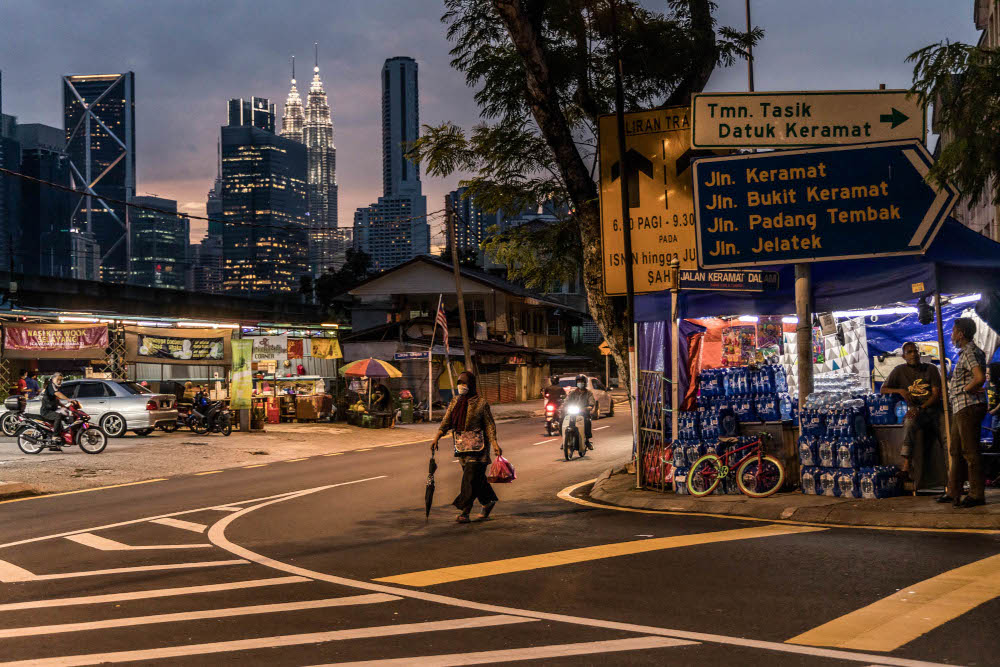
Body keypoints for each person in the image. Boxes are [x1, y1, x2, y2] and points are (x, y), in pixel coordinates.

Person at [431, 371, 501, 523]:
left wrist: (494, 443)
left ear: (471, 384)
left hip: (479, 449)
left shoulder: (481, 403)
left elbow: (489, 425)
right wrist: (436, 437)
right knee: (477, 480)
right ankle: (488, 502)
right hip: (462, 447)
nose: (461, 386)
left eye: (464, 383)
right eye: (459, 383)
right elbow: (446, 422)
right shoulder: (455, 402)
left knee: (469, 478)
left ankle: (465, 511)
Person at [942, 317, 988, 508]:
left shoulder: (969, 352)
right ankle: (953, 491)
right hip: (961, 407)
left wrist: (965, 389)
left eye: (953, 331)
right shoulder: (966, 352)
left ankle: (976, 494)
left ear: (960, 334)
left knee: (970, 452)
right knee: (955, 450)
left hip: (968, 406)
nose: (951, 335)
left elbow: (979, 377)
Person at [880, 342, 942, 482]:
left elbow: (936, 394)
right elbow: (883, 389)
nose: (913, 354)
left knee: (946, 435)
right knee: (909, 422)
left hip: (933, 410)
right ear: (904, 356)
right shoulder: (899, 371)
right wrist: (900, 391)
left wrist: (921, 408)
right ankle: (906, 466)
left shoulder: (931, 369)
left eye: (915, 351)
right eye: (909, 352)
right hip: (915, 412)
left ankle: (951, 471)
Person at [564, 374, 597, 450]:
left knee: (587, 422)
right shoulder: (572, 393)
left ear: (585, 383)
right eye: (578, 381)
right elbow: (566, 401)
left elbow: (591, 403)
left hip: (584, 413)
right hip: (572, 412)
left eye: (581, 381)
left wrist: (588, 407)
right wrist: (563, 407)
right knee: (563, 420)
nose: (580, 383)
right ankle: (565, 441)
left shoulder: (589, 393)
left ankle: (587, 441)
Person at [40, 373, 70, 450]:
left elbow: (57, 401)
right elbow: (57, 394)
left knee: (63, 417)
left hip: (52, 410)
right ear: (53, 379)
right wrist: (68, 399)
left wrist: (66, 406)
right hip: (46, 411)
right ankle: (54, 437)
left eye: (61, 380)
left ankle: (55, 445)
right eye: (58, 379)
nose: (59, 381)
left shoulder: (55, 387)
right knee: (58, 416)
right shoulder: (51, 386)